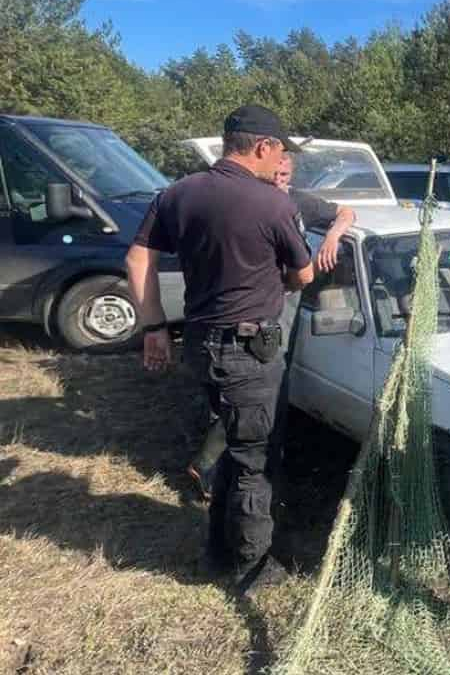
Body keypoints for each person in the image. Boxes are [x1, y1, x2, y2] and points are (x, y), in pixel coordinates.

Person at [125, 104, 314, 593]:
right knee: (255, 459)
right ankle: (250, 569)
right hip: (249, 352)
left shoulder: (179, 193)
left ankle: (217, 549)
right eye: (280, 153)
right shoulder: (274, 204)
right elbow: (303, 275)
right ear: (263, 147)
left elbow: (137, 255)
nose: (281, 164)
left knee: (233, 445)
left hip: (201, 345)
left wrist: (153, 327)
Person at [184, 152, 357, 501]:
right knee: (259, 387)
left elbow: (346, 212)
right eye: (276, 171)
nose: (280, 177)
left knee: (267, 385)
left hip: (289, 302)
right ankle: (210, 466)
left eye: (286, 173)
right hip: (259, 305)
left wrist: (333, 237)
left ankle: (245, 462)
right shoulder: (250, 201)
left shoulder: (296, 201)